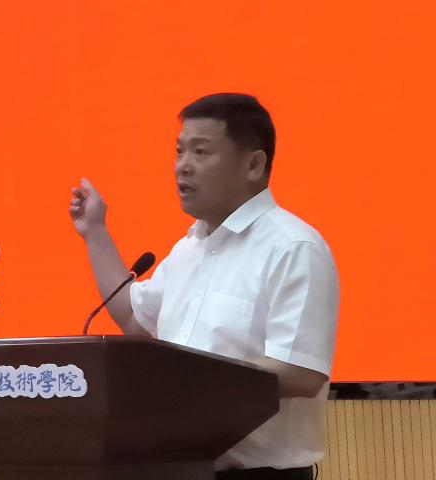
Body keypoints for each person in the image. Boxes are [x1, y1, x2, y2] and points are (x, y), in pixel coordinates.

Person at [70, 93, 339, 479]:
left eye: (200, 152)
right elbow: (134, 318)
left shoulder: (293, 247)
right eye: (179, 151)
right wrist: (95, 232)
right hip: (181, 469)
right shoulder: (189, 249)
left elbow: (300, 372)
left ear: (254, 164)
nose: (183, 166)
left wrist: (186, 381)